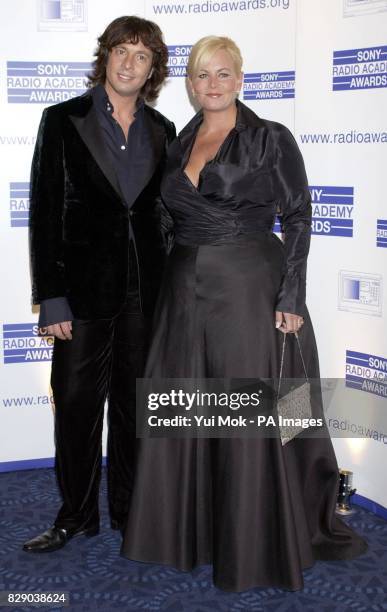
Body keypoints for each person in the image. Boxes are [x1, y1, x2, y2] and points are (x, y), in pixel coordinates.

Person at [120, 36, 367, 591]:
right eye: (202, 74)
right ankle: (192, 533)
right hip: (185, 290)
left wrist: (291, 295)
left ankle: (255, 538)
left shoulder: (268, 138)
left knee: (249, 408)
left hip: (248, 285)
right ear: (191, 81)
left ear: (240, 78)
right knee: (186, 405)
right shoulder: (180, 141)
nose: (212, 84)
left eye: (223, 73)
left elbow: (299, 215)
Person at [23, 16, 175, 553]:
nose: (129, 63)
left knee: (137, 411)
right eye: (121, 51)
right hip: (82, 296)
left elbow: (163, 216)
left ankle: (131, 512)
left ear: (152, 68)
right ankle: (75, 516)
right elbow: (43, 215)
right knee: (77, 405)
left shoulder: (163, 129)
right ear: (104, 56)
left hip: (145, 298)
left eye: (141, 55)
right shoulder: (63, 120)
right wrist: (52, 297)